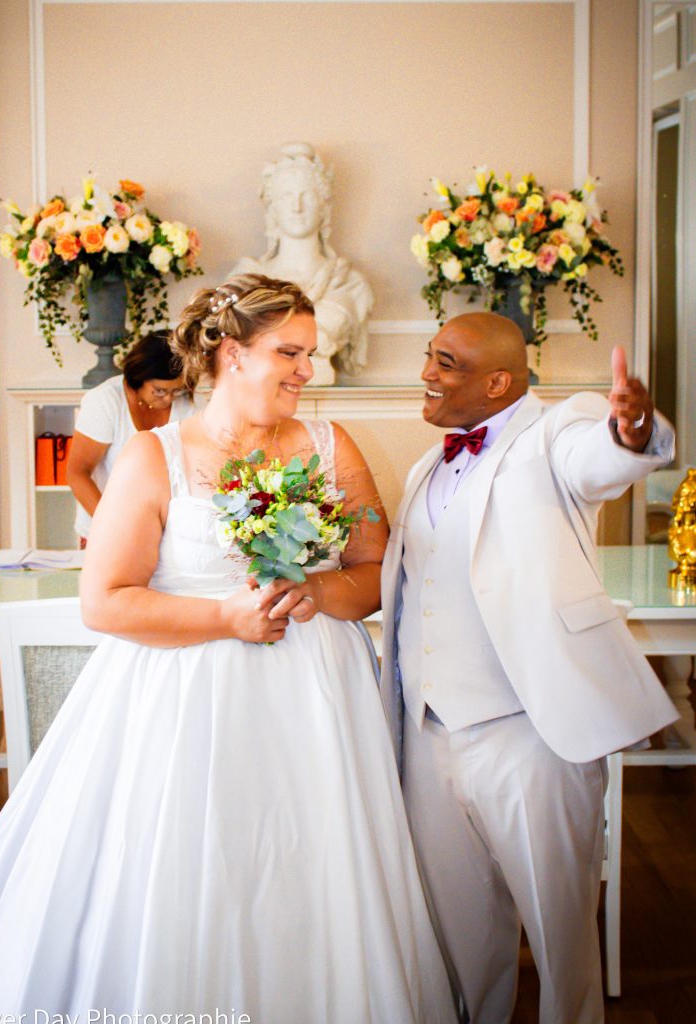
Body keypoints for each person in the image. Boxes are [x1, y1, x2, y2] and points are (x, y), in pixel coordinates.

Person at [0, 275, 461, 1024]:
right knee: (183, 867)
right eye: (290, 352)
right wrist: (226, 618)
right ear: (232, 353)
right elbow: (104, 600)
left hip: (316, 695)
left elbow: (371, 573)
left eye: (311, 353)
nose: (307, 370)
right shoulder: (151, 456)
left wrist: (316, 594)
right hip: (179, 698)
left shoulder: (333, 446)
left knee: (313, 868)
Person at [379, 311, 679, 1024]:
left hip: (530, 732)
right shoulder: (429, 463)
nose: (425, 372)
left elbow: (599, 457)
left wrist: (631, 432)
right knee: (457, 934)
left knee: (557, 934)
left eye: (444, 362)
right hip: (429, 735)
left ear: (498, 383)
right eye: (429, 354)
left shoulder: (554, 432)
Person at [232, 142, 374, 386]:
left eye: (307, 196)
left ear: (323, 207)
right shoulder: (246, 280)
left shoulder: (351, 283)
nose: (297, 207)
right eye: (287, 197)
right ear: (272, 209)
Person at [67, 330, 195, 544]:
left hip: (162, 529)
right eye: (160, 391)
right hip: (106, 529)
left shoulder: (184, 405)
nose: (170, 399)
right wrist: (109, 526)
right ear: (139, 376)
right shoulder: (105, 401)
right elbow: (77, 472)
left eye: (177, 390)